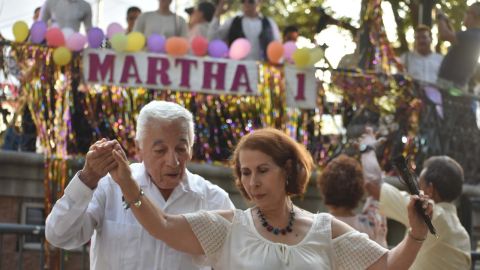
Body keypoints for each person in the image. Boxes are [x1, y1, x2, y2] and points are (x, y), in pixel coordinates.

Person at [109, 127, 433, 269]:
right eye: (245, 173)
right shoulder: (228, 227)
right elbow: (163, 224)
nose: (252, 182)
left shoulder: (323, 228)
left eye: (262, 170)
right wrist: (125, 180)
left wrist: (416, 232)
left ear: (286, 169)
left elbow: (387, 265)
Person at [45, 101, 235, 270]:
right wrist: (88, 178)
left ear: (191, 150)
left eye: (180, 149)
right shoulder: (110, 186)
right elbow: (59, 235)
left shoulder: (213, 199)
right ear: (139, 149)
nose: (173, 161)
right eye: (160, 150)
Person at [360, 128, 471, 270]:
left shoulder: (431, 214)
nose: (417, 188)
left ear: (430, 189)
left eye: (420, 183)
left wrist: (367, 147)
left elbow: (372, 184)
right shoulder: (457, 229)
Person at [317, 154, 388, 247]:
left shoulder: (316, 227)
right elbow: (377, 192)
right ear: (360, 190)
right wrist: (367, 151)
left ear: (323, 188)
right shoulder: (371, 224)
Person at [208, 0, 281, 60]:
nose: (246, 4)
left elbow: (278, 48)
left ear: (260, 2)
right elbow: (213, 39)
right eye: (243, 1)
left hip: (262, 72)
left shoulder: (270, 23)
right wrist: (217, 13)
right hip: (237, 71)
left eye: (250, 1)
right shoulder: (233, 21)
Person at [436, 3, 480, 91]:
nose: (465, 15)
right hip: (454, 85)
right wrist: (446, 22)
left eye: (467, 12)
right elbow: (453, 37)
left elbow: (444, 35)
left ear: (475, 16)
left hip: (451, 86)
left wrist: (440, 16)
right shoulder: (473, 34)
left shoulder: (472, 35)